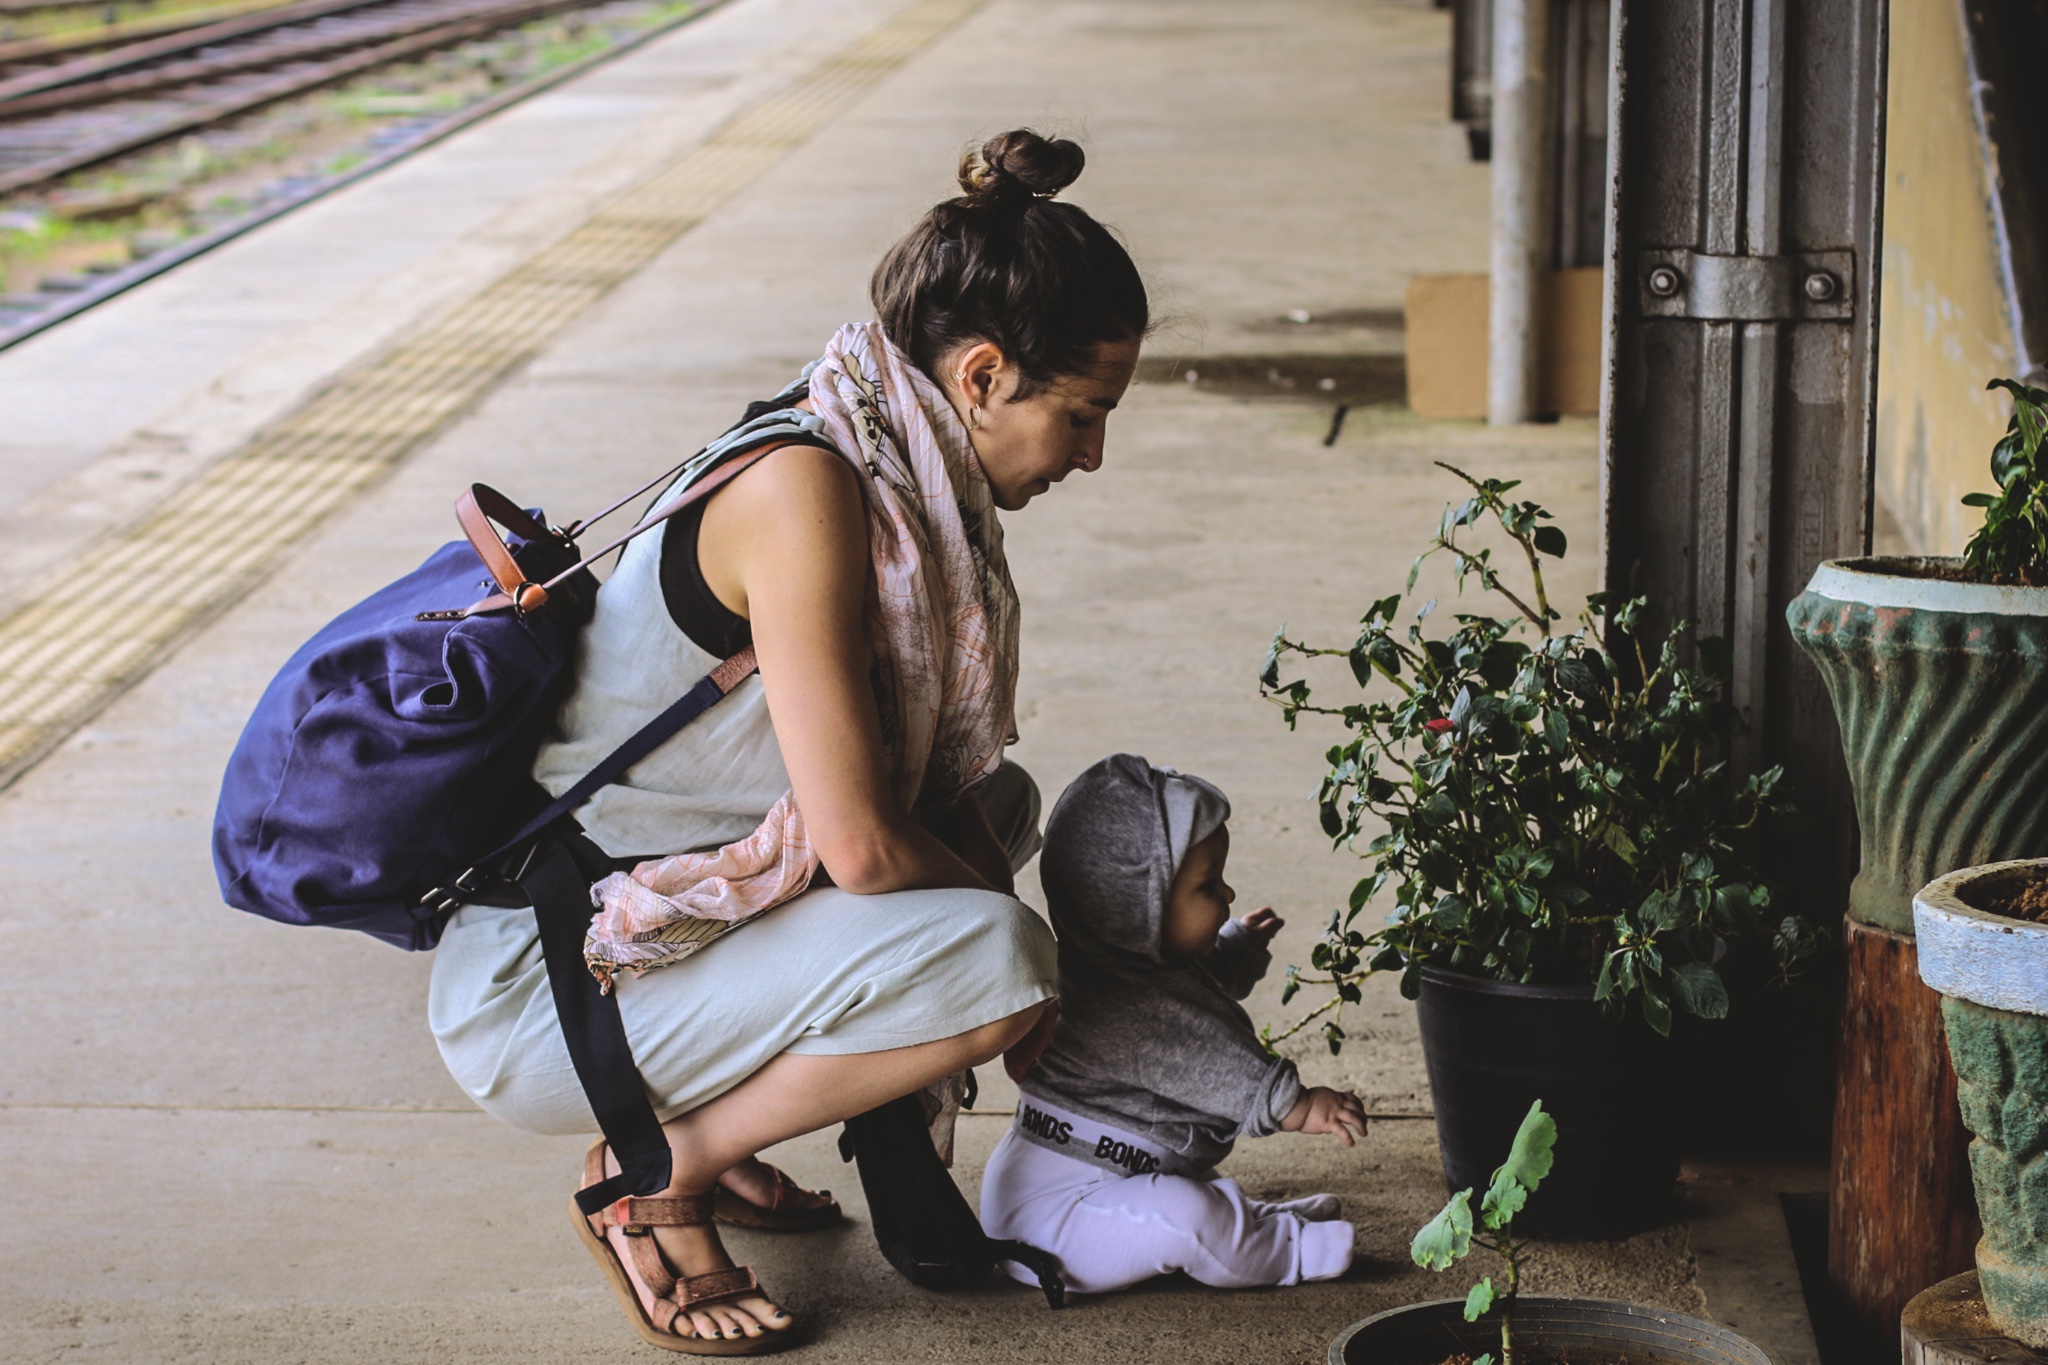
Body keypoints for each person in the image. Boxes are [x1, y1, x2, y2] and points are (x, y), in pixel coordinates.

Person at [425, 129, 1148, 1353]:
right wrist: (1040, 1002)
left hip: (639, 925)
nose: (1090, 453)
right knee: (1000, 954)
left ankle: (740, 1108)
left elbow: (933, 794)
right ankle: (659, 1168)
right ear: (978, 377)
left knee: (997, 808)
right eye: (1080, 415)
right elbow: (862, 851)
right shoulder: (803, 494)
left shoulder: (867, 436)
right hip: (548, 996)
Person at [980, 753, 1368, 1295]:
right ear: (1133, 908)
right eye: (1209, 886)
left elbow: (1197, 984)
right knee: (1188, 1218)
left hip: (1103, 1180)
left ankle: (1253, 1218)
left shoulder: (1118, 960)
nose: (1227, 894)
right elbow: (1217, 1063)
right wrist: (1299, 1106)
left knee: (1179, 1196)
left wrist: (1235, 944)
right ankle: (1284, 1250)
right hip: (1052, 1226)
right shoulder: (1131, 1014)